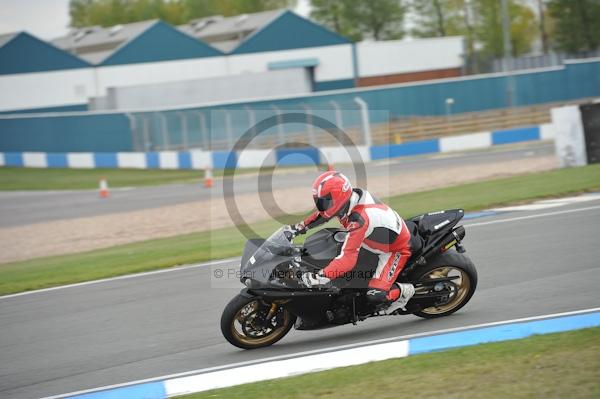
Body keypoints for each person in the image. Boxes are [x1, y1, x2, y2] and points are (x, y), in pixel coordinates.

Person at [290, 171, 415, 314]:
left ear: (337, 198)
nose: (321, 206)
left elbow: (347, 260)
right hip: (373, 238)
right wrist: (297, 228)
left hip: (395, 249)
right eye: (319, 201)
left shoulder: (358, 218)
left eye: (324, 201)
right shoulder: (350, 199)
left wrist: (319, 277)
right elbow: (324, 215)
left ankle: (406, 291)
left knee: (375, 296)